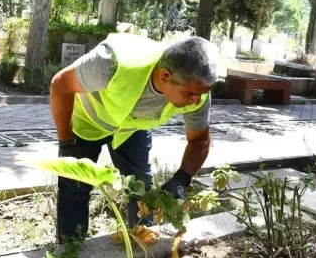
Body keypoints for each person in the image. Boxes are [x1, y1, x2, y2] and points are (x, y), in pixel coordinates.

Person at [49, 33, 218, 240]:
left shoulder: (196, 88)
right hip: (89, 122)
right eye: (189, 94)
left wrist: (182, 178)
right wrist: (66, 142)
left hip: (131, 129)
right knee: (74, 187)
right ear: (165, 76)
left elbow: (200, 140)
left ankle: (142, 247)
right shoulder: (111, 63)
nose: (196, 101)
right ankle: (70, 253)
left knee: (141, 191)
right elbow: (60, 84)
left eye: (202, 94)